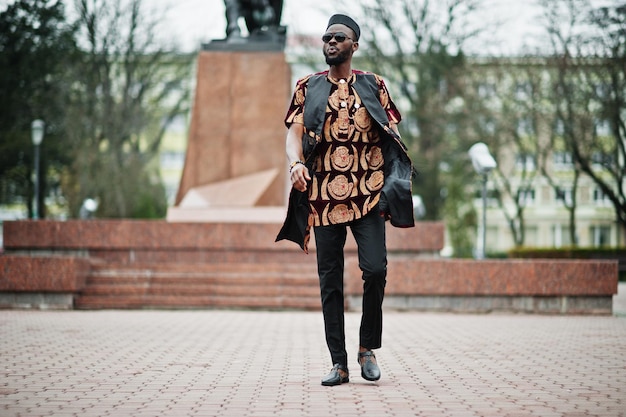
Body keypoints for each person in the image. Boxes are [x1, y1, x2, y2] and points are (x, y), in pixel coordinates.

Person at [276, 14, 415, 386]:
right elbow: (295, 134)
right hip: (323, 198)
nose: (330, 43)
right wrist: (296, 163)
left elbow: (392, 135)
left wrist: (393, 181)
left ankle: (366, 347)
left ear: (354, 45)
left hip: (368, 194)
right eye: (326, 38)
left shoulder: (374, 85)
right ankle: (339, 363)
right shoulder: (308, 86)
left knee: (375, 270)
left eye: (339, 38)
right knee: (330, 281)